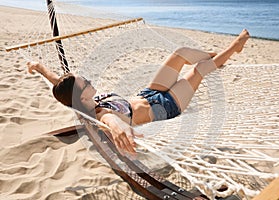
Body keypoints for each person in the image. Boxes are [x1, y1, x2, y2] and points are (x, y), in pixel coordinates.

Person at [27, 29, 250, 155]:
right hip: (168, 105)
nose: (89, 80)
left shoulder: (77, 98)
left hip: (150, 92)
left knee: (180, 53)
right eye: (85, 82)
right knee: (200, 69)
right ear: (82, 96)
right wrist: (118, 129)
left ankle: (214, 57)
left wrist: (39, 68)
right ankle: (231, 50)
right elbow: (111, 121)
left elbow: (59, 83)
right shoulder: (99, 114)